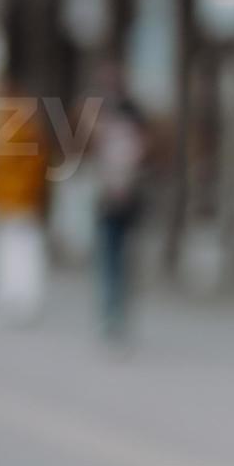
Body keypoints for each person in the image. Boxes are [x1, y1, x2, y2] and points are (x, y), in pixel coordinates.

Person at [0, 89, 51, 325]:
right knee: (27, 252)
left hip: (4, 203)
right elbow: (41, 171)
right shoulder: (32, 135)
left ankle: (11, 297)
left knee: (7, 252)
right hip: (26, 203)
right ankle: (27, 299)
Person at [86, 67, 151, 344]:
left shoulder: (110, 127)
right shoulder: (113, 125)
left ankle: (114, 314)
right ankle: (114, 313)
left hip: (119, 203)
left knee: (114, 260)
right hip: (116, 203)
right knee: (115, 260)